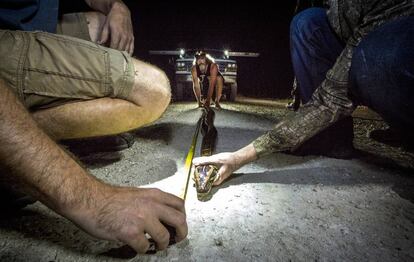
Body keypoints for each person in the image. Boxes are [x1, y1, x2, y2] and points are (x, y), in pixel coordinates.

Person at [0, 0, 187, 253]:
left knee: (101, 24)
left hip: (28, 24)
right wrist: (95, 200)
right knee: (154, 90)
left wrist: (117, 6)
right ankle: (17, 147)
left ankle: (27, 124)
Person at [193, 0, 414, 186]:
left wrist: (238, 157)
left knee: (374, 54)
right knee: (307, 22)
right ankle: (331, 140)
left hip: (394, 37)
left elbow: (329, 100)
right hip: (357, 33)